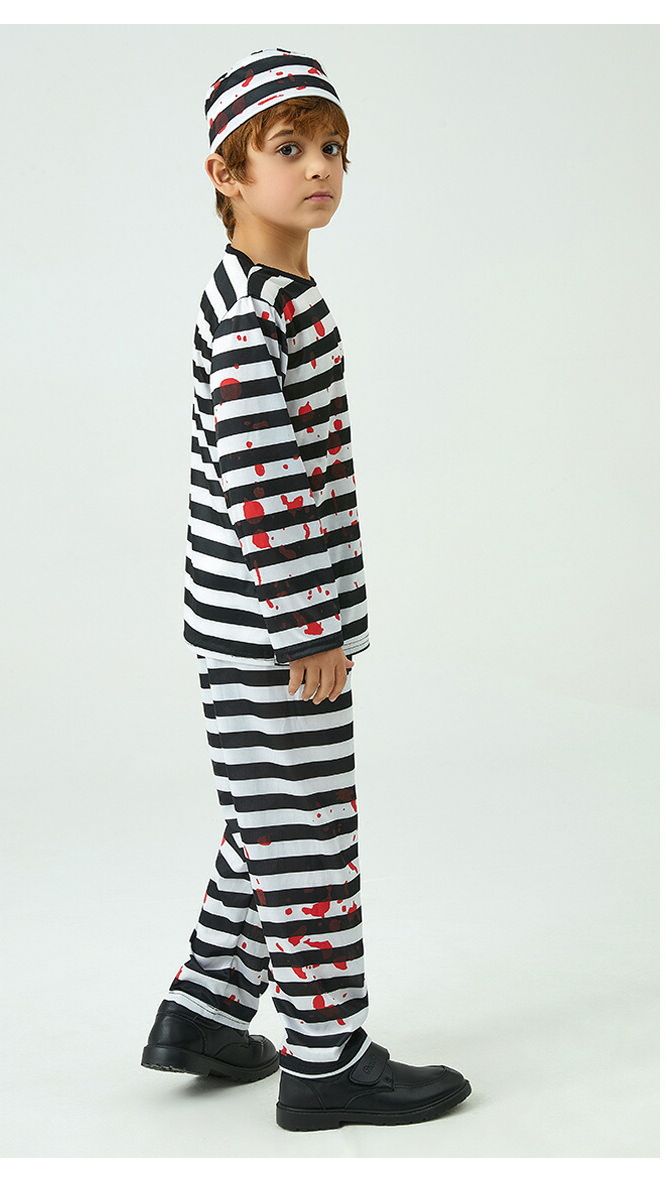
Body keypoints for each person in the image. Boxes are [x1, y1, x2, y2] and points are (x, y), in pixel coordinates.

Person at [140, 46, 472, 1132]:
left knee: (271, 815)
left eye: (333, 147)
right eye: (288, 148)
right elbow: (262, 476)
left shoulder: (278, 294)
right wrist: (309, 624)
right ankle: (327, 1061)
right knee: (310, 831)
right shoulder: (253, 311)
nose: (320, 166)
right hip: (270, 626)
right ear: (225, 174)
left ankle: (200, 1013)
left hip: (256, 620)